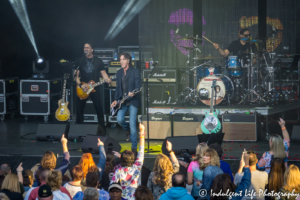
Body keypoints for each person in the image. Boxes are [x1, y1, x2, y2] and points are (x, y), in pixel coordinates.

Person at [75, 42, 111, 129]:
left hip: (95, 88)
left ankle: (102, 129)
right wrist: (80, 84)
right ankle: (78, 129)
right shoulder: (80, 61)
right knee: (79, 109)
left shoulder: (98, 61)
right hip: (83, 88)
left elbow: (104, 73)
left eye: (87, 48)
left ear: (92, 49)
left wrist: (108, 79)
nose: (85, 49)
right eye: (84, 48)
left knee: (99, 108)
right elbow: (75, 76)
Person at [110, 52, 141, 152]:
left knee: (132, 122)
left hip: (133, 100)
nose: (121, 61)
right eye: (120, 60)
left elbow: (138, 87)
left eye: (123, 59)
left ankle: (134, 147)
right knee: (119, 119)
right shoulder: (119, 72)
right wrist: (115, 100)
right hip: (122, 101)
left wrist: (134, 93)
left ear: (128, 61)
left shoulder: (135, 71)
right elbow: (118, 87)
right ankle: (127, 129)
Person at [110, 123, 145, 200]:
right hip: (137, 198)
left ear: (121, 159)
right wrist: (142, 132)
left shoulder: (118, 170)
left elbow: (112, 185)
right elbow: (141, 150)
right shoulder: (137, 166)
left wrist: (120, 156)